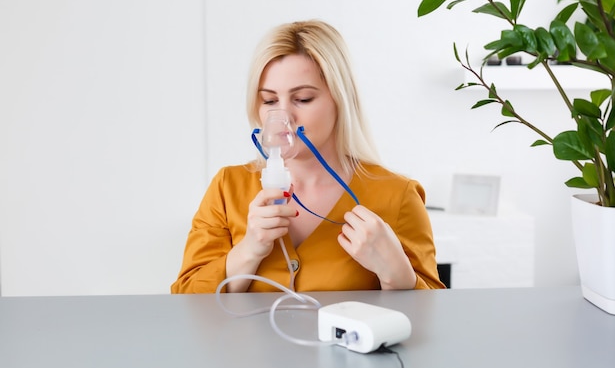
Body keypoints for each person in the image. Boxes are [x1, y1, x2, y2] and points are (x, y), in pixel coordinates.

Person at [171, 20, 445, 293]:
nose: (283, 117)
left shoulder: (397, 196)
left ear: (341, 100)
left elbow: (433, 317)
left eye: (302, 99)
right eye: (269, 101)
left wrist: (397, 275)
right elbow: (184, 301)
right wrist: (248, 251)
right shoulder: (227, 189)